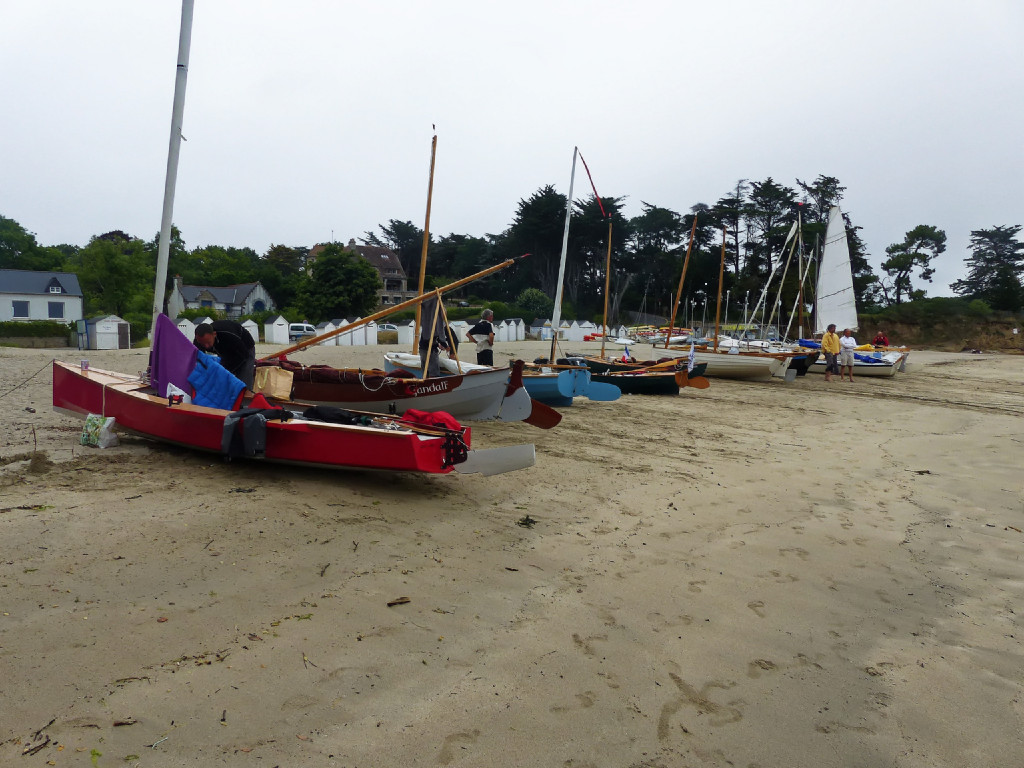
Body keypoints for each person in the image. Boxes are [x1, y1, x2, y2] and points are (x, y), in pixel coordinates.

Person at [194, 320, 257, 389]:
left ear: (214, 334)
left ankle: (246, 395)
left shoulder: (229, 336)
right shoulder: (199, 341)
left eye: (208, 342)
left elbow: (243, 356)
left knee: (243, 377)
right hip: (224, 350)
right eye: (203, 344)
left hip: (244, 348)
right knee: (220, 376)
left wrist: (226, 371)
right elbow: (198, 359)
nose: (206, 346)